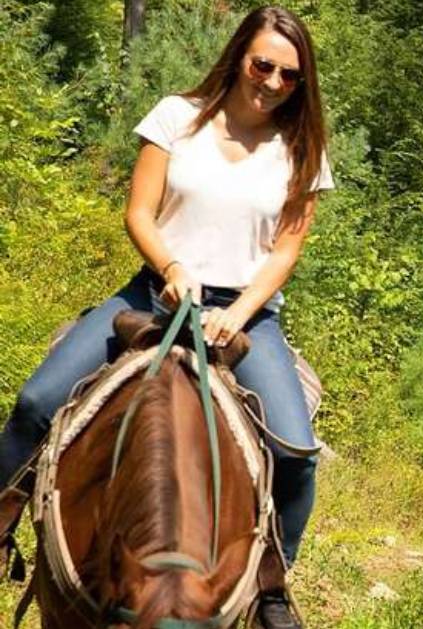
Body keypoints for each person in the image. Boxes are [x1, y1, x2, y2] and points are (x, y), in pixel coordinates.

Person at [0, 7, 332, 626]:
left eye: (291, 76)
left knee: (297, 451)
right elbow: (140, 213)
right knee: (36, 402)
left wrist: (237, 312)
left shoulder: (301, 149)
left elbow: (285, 250)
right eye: (264, 65)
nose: (272, 82)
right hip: (153, 295)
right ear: (239, 57)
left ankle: (271, 584)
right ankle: (2, 519)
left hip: (245, 315)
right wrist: (174, 269)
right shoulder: (177, 117)